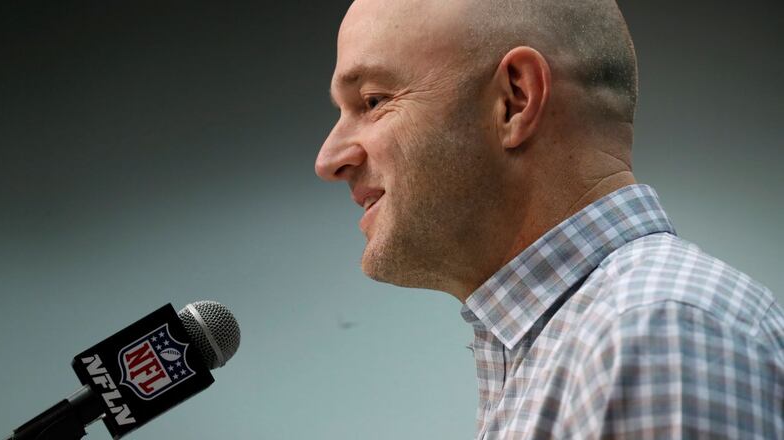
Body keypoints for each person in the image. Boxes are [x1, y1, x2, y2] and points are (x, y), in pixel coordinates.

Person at [314, 0, 784, 438]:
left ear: (515, 100)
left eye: (373, 102)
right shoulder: (581, 341)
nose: (328, 159)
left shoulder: (656, 335)